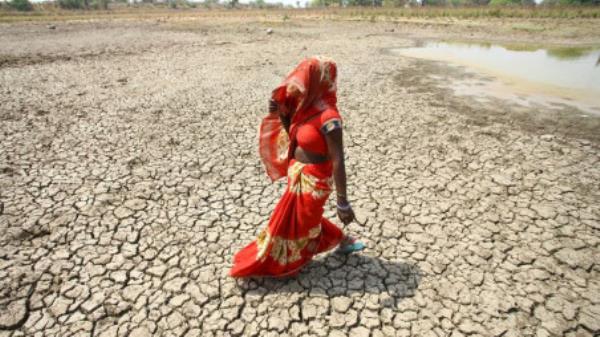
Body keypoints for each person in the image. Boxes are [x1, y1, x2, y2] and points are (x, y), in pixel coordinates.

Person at [229, 57, 364, 278]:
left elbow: (338, 159)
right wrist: (282, 112)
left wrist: (343, 201)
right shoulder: (304, 108)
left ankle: (286, 262)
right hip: (297, 173)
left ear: (318, 82)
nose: (300, 84)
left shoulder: (330, 117)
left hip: (315, 180)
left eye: (306, 79)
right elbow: (292, 134)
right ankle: (344, 239)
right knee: (301, 218)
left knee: (302, 221)